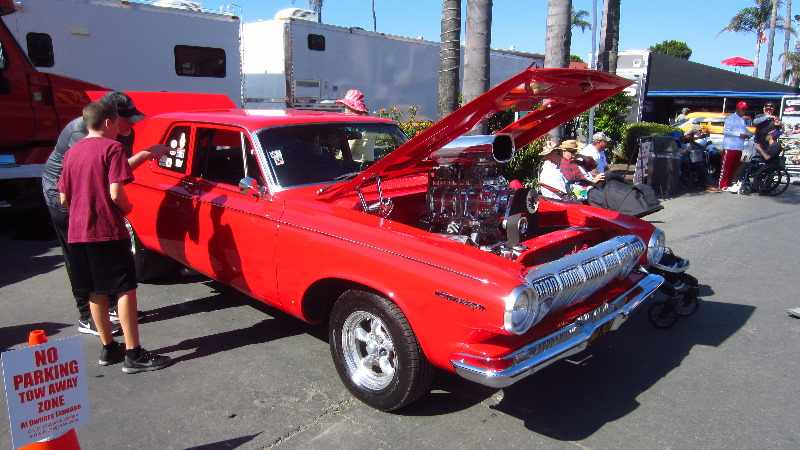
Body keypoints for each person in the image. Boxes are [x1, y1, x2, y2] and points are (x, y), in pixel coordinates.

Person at [57, 101, 171, 373]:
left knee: (95, 291)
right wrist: (127, 209)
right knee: (124, 289)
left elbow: (63, 197)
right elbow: (116, 193)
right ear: (108, 123)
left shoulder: (72, 152)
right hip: (107, 230)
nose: (121, 128)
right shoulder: (113, 148)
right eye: (119, 123)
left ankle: (108, 347)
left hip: (78, 232)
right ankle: (134, 353)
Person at [727, 128, 783, 193]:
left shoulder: (776, 145)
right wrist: (758, 150)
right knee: (743, 163)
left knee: (745, 165)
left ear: (771, 136)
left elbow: (767, 157)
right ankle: (743, 183)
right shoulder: (770, 145)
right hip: (764, 164)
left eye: (767, 134)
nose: (766, 136)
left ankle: (738, 182)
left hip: (768, 166)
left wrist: (759, 149)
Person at [719, 101, 752, 190]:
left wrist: (749, 133)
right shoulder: (731, 118)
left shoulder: (742, 119)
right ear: (737, 109)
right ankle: (722, 185)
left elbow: (744, 130)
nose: (744, 111)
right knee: (726, 168)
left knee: (734, 167)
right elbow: (726, 131)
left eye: (745, 109)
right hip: (730, 146)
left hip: (738, 147)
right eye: (742, 109)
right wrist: (739, 135)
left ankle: (729, 184)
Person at [682, 125, 722, 192]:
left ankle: (701, 183)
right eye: (691, 135)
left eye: (692, 135)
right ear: (686, 136)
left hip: (695, 159)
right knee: (700, 165)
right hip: (686, 161)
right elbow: (684, 142)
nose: (692, 136)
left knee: (706, 161)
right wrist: (686, 150)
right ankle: (709, 184)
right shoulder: (684, 142)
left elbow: (702, 148)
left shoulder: (693, 143)